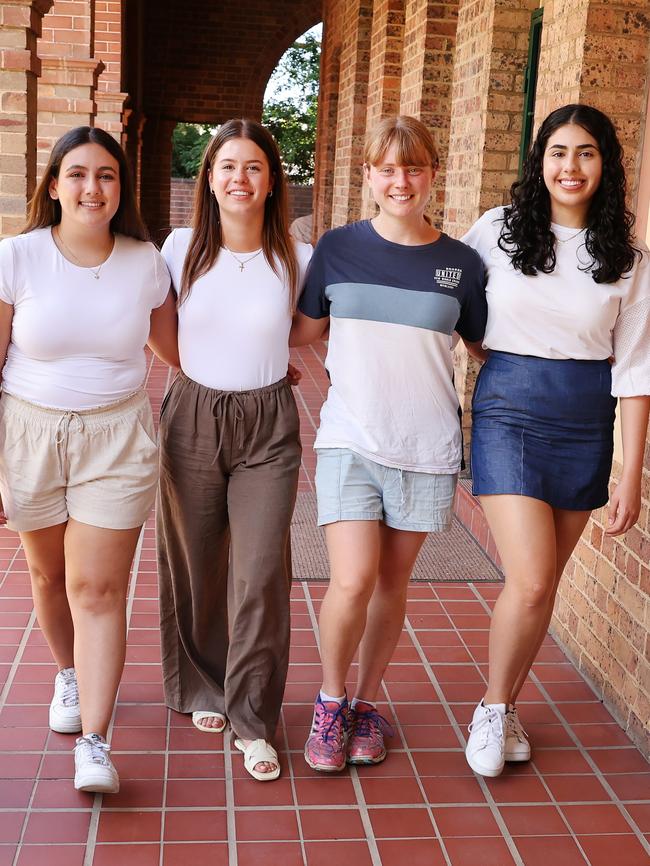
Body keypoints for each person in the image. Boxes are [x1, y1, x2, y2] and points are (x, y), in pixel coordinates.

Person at [290, 115, 487, 771]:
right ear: (368, 175)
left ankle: (368, 704)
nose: (400, 180)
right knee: (350, 580)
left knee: (392, 585)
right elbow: (302, 330)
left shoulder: (461, 264)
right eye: (387, 168)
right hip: (349, 438)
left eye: (413, 167)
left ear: (433, 173)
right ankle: (330, 699)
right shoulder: (338, 249)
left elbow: (486, 349)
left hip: (426, 446)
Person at [461, 103, 650, 777]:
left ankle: (506, 707)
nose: (570, 167)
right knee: (533, 578)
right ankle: (490, 709)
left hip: (585, 417)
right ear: (539, 162)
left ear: (606, 165)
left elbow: (635, 370)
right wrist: (500, 360)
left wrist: (630, 475)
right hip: (510, 408)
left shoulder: (627, 260)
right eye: (558, 152)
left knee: (546, 585)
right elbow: (457, 304)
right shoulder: (498, 230)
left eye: (586, 153)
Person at [0, 127, 178, 793]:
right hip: (27, 433)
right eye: (77, 174)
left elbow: (177, 352)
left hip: (117, 437)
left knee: (97, 590)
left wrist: (264, 371)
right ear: (53, 185)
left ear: (120, 188)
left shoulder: (143, 261)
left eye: (106, 175)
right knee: (47, 579)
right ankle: (69, 674)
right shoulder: (16, 258)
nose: (92, 187)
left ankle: (95, 743)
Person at [157, 119, 311, 782]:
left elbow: (305, 328)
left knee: (258, 571)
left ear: (272, 179)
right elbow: (163, 335)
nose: (240, 178)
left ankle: (253, 716)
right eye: (227, 166)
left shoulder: (295, 257)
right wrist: (205, 378)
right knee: (194, 560)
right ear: (209, 178)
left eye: (253, 166)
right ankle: (201, 685)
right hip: (193, 412)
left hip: (268, 424)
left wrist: (270, 366)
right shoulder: (179, 248)